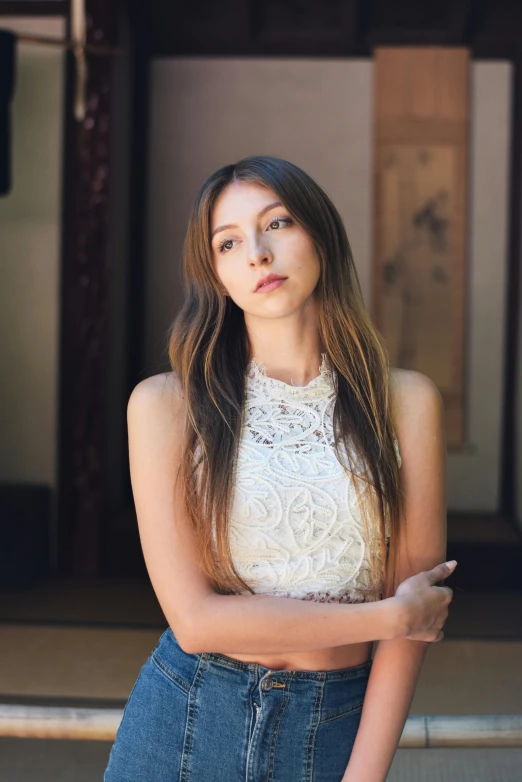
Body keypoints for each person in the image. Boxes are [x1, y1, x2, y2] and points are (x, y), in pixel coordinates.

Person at [104, 155, 456, 782]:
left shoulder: (406, 403)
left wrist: (363, 776)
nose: (258, 254)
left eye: (279, 223)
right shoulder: (165, 405)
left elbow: (412, 623)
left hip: (337, 723)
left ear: (320, 234)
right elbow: (195, 621)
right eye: (229, 242)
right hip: (186, 718)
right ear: (215, 274)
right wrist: (389, 616)